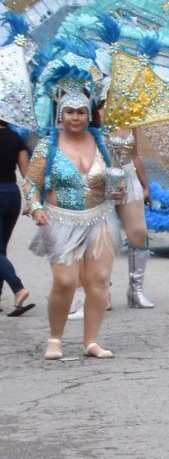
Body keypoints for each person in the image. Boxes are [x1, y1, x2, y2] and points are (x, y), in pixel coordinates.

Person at [23, 79, 119, 361]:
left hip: (99, 217)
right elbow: (30, 183)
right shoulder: (46, 146)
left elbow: (114, 179)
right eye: (70, 111)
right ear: (60, 115)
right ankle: (55, 339)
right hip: (61, 220)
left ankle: (91, 341)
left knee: (98, 280)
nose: (75, 117)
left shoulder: (102, 143)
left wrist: (118, 189)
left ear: (89, 115)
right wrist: (36, 207)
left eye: (81, 111)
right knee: (65, 281)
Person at [0, 110, 34, 317]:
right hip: (11, 195)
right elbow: (26, 173)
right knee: (1, 249)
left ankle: (18, 288)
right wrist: (32, 201)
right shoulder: (16, 137)